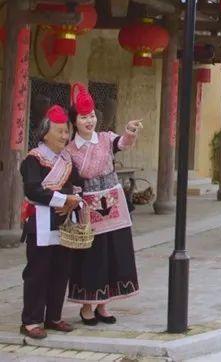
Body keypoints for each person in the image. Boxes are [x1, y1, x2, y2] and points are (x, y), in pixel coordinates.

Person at [66, 83, 141, 325]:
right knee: (92, 255)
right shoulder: (70, 150)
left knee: (113, 252)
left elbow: (122, 143)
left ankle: (103, 304)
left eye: (91, 116)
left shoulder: (106, 138)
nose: (89, 121)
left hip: (112, 203)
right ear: (74, 121)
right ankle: (87, 305)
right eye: (83, 117)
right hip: (88, 206)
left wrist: (129, 132)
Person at [20, 105, 83, 339]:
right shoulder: (34, 159)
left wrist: (74, 201)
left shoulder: (66, 159)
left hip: (63, 222)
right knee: (38, 272)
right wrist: (64, 199)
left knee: (60, 271)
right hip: (40, 222)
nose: (65, 136)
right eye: (60, 132)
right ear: (45, 133)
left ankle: (53, 317)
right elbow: (33, 190)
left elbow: (78, 186)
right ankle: (31, 321)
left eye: (67, 132)